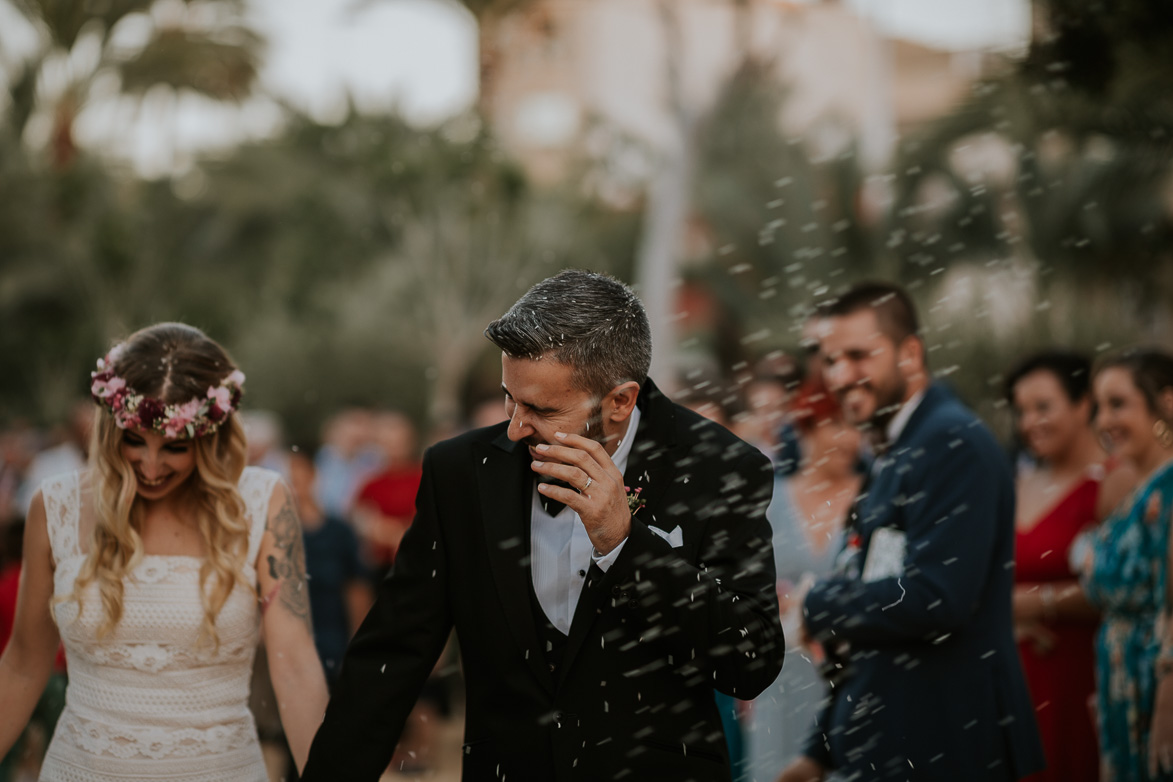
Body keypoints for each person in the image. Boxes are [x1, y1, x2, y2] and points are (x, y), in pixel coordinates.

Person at [300, 269, 784, 782]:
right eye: (511, 397)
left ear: (620, 401)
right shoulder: (461, 471)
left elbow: (748, 660)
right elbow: (393, 653)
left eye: (541, 408)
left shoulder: (719, 467)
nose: (514, 426)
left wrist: (625, 544)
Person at [0, 323, 329, 781]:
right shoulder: (55, 505)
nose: (151, 467)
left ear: (211, 439)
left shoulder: (261, 502)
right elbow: (22, 664)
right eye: (134, 440)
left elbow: (293, 662)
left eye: (175, 447)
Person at [779, 281, 1044, 781]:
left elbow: (936, 598)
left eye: (858, 356)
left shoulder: (951, 442)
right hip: (894, 743)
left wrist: (815, 606)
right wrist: (820, 751)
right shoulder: (895, 450)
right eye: (832, 361)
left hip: (947, 742)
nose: (841, 376)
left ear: (911, 353)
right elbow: (874, 616)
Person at [1006, 351, 1134, 782]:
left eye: (1043, 407)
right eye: (1021, 411)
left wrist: (1040, 602)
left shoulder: (1116, 481)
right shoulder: (1017, 486)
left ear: (1083, 405)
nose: (1030, 422)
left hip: (1083, 676)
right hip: (1019, 679)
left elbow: (1131, 588)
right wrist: (1006, 620)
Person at [744, 378, 861, 781]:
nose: (852, 439)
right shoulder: (770, 498)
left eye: (857, 426)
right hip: (783, 668)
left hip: (847, 671)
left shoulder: (871, 498)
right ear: (807, 426)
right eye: (839, 425)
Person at [1081, 349, 1173, 781]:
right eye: (1099, 407)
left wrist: (1168, 701)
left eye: (1118, 404)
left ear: (1167, 403)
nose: (1104, 421)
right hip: (1122, 686)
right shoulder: (1134, 491)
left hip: (1158, 689)